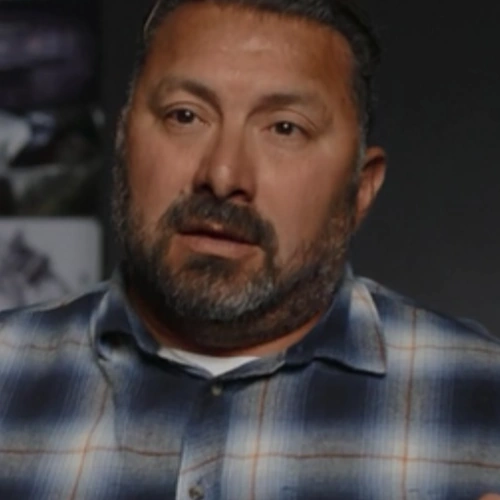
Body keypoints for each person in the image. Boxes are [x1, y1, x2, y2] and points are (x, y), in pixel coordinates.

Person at [0, 0, 499, 498]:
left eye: (285, 128)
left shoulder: (484, 401)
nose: (222, 176)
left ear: (360, 189)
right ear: (123, 141)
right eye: (185, 116)